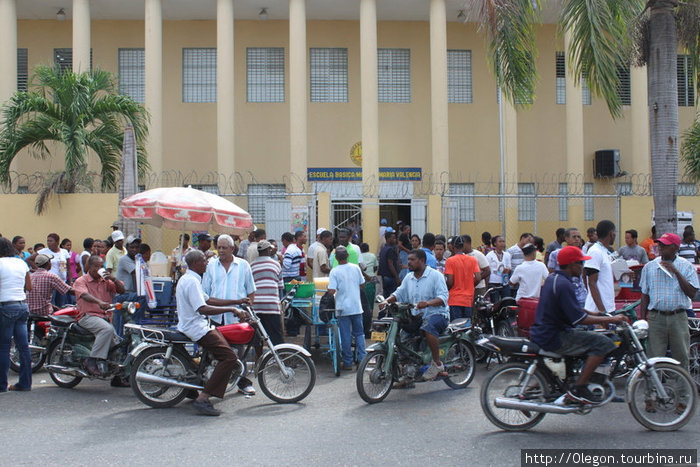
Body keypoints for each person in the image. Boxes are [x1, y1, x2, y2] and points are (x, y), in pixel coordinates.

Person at [529, 246, 629, 404]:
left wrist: (595, 314)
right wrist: (611, 319)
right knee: (602, 343)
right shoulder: (564, 285)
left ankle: (575, 381)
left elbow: (570, 309)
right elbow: (579, 319)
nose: (582, 267)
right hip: (555, 336)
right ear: (571, 265)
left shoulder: (553, 279)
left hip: (544, 331)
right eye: (580, 264)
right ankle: (579, 388)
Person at [177, 249, 249, 416]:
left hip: (193, 325)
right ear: (195, 264)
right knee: (229, 357)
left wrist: (236, 302)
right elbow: (202, 308)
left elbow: (208, 299)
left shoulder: (189, 278)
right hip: (196, 327)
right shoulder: (192, 281)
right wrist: (232, 309)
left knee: (218, 349)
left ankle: (195, 385)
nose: (207, 262)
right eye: (204, 260)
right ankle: (203, 398)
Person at [201, 234, 257, 396]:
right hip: (217, 316)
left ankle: (242, 382)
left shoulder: (243, 265)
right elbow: (205, 293)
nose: (221, 250)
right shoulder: (211, 265)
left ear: (233, 249)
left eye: (224, 247)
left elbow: (251, 291)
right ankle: (212, 382)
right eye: (219, 247)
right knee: (216, 351)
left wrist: (247, 311)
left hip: (236, 317)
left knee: (239, 352)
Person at [385, 249, 449, 380]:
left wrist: (427, 303)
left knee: (428, 327)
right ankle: (408, 372)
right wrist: (386, 301)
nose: (409, 262)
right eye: (408, 260)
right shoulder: (409, 277)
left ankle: (437, 364)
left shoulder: (436, 276)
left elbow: (443, 298)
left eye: (412, 260)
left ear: (422, 261)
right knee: (401, 337)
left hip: (437, 314)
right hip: (416, 316)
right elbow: (399, 293)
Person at [640, 232, 699, 371]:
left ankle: (683, 392)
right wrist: (643, 319)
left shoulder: (686, 266)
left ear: (675, 248)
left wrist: (676, 272)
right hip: (656, 317)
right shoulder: (649, 267)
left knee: (681, 357)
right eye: (659, 244)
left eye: (665, 245)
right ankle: (655, 391)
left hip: (678, 317)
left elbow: (691, 293)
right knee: (654, 358)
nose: (660, 248)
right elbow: (644, 295)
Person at [72, 255, 125, 377]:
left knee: (118, 344)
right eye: (96, 266)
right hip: (87, 316)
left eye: (101, 266)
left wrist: (114, 279)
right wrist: (99, 302)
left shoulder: (105, 281)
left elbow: (122, 290)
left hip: (104, 316)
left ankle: (117, 375)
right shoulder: (82, 280)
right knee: (107, 329)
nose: (99, 269)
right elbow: (84, 295)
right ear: (89, 267)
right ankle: (93, 359)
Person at [0, 237, 32, 392]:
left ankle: (1, 385)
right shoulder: (21, 262)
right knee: (23, 347)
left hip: (5, 306)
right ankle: (25, 383)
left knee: (4, 347)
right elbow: (29, 286)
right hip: (22, 305)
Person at [328, 246, 367, 370]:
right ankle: (362, 359)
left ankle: (348, 362)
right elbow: (362, 284)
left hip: (342, 308)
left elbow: (332, 290)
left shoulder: (334, 271)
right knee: (359, 334)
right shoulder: (356, 268)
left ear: (336, 258)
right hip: (356, 306)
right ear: (348, 256)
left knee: (345, 335)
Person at [250, 241, 285, 349]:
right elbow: (280, 286)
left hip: (256, 306)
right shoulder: (276, 264)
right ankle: (279, 357)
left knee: (257, 335)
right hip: (271, 306)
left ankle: (258, 358)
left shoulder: (251, 265)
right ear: (268, 250)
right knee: (275, 335)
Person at [114, 236, 148, 334]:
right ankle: (136, 324)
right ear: (127, 247)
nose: (134, 250)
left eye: (137, 247)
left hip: (131, 295)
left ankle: (136, 325)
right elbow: (138, 272)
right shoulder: (124, 259)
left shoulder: (137, 260)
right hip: (123, 295)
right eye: (132, 247)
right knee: (143, 296)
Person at [584, 220, 617, 314]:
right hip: (597, 310)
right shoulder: (595, 251)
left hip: (608, 307)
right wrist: (602, 312)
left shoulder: (604, 251)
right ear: (611, 233)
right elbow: (591, 283)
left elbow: (606, 278)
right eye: (615, 232)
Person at [445, 235, 481, 321]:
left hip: (454, 299)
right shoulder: (472, 260)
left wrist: (447, 289)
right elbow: (478, 278)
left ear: (453, 247)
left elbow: (450, 282)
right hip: (468, 299)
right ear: (463, 246)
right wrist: (471, 284)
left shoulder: (450, 261)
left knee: (456, 326)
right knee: (467, 325)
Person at [26, 254, 73, 318]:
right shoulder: (51, 276)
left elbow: (38, 296)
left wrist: (52, 306)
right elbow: (68, 290)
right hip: (44, 313)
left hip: (29, 312)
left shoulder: (30, 276)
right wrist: (81, 293)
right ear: (48, 263)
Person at [35, 233, 71, 307]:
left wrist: (70, 281)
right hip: (50, 282)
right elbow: (30, 259)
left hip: (62, 282)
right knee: (51, 303)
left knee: (61, 304)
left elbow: (68, 268)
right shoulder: (44, 251)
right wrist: (38, 269)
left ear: (57, 242)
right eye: (47, 241)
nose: (48, 243)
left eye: (51, 241)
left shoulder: (64, 252)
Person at [486, 235, 512, 302]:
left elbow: (509, 267)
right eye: (500, 241)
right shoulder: (489, 255)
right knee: (495, 302)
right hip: (493, 282)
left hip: (504, 282)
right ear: (495, 243)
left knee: (507, 301)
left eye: (503, 241)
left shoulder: (507, 255)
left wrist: (508, 270)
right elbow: (487, 269)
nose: (502, 243)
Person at [378, 231, 401, 298]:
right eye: (393, 238)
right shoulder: (390, 250)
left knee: (386, 297)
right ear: (388, 239)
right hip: (390, 277)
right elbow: (390, 264)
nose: (395, 240)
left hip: (384, 277)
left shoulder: (383, 249)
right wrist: (397, 277)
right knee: (392, 297)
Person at [360, 242, 378, 306]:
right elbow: (375, 267)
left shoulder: (359, 257)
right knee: (371, 298)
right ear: (368, 249)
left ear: (360, 250)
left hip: (362, 279)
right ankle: (370, 312)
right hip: (371, 278)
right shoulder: (373, 255)